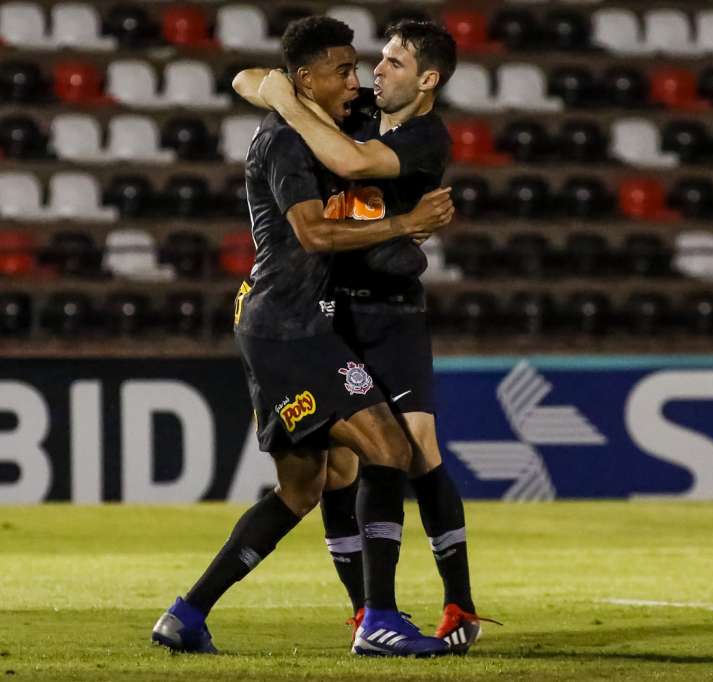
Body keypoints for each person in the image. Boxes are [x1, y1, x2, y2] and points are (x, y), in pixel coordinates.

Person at [150, 16, 454, 658]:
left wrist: (273, 88)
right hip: (291, 326)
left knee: (302, 489)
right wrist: (403, 224)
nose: (357, 81)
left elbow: (251, 79)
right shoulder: (287, 141)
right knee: (389, 449)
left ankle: (186, 614)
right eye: (344, 70)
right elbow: (314, 234)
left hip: (276, 322)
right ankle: (379, 620)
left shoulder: (309, 121)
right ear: (307, 79)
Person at [234, 18, 491, 655]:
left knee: (418, 450)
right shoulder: (358, 109)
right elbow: (243, 78)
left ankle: (457, 602)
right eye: (377, 60)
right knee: (343, 464)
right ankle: (368, 612)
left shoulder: (426, 138)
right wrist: (280, 90)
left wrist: (285, 98)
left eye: (394, 63)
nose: (375, 71)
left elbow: (349, 163)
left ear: (428, 80)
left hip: (392, 310)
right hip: (330, 307)